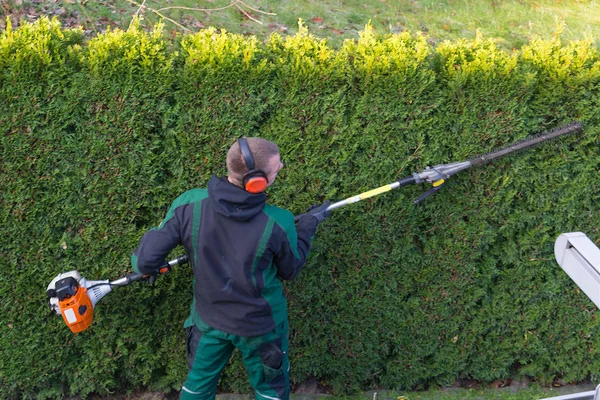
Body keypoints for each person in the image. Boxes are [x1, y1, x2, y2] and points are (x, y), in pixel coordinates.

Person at [131, 137, 331, 400]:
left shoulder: (189, 204)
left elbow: (144, 262)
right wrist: (306, 227)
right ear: (258, 181)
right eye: (276, 167)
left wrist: (152, 265)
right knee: (270, 392)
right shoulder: (279, 222)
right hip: (261, 328)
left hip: (208, 320)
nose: (280, 167)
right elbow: (290, 270)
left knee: (197, 389)